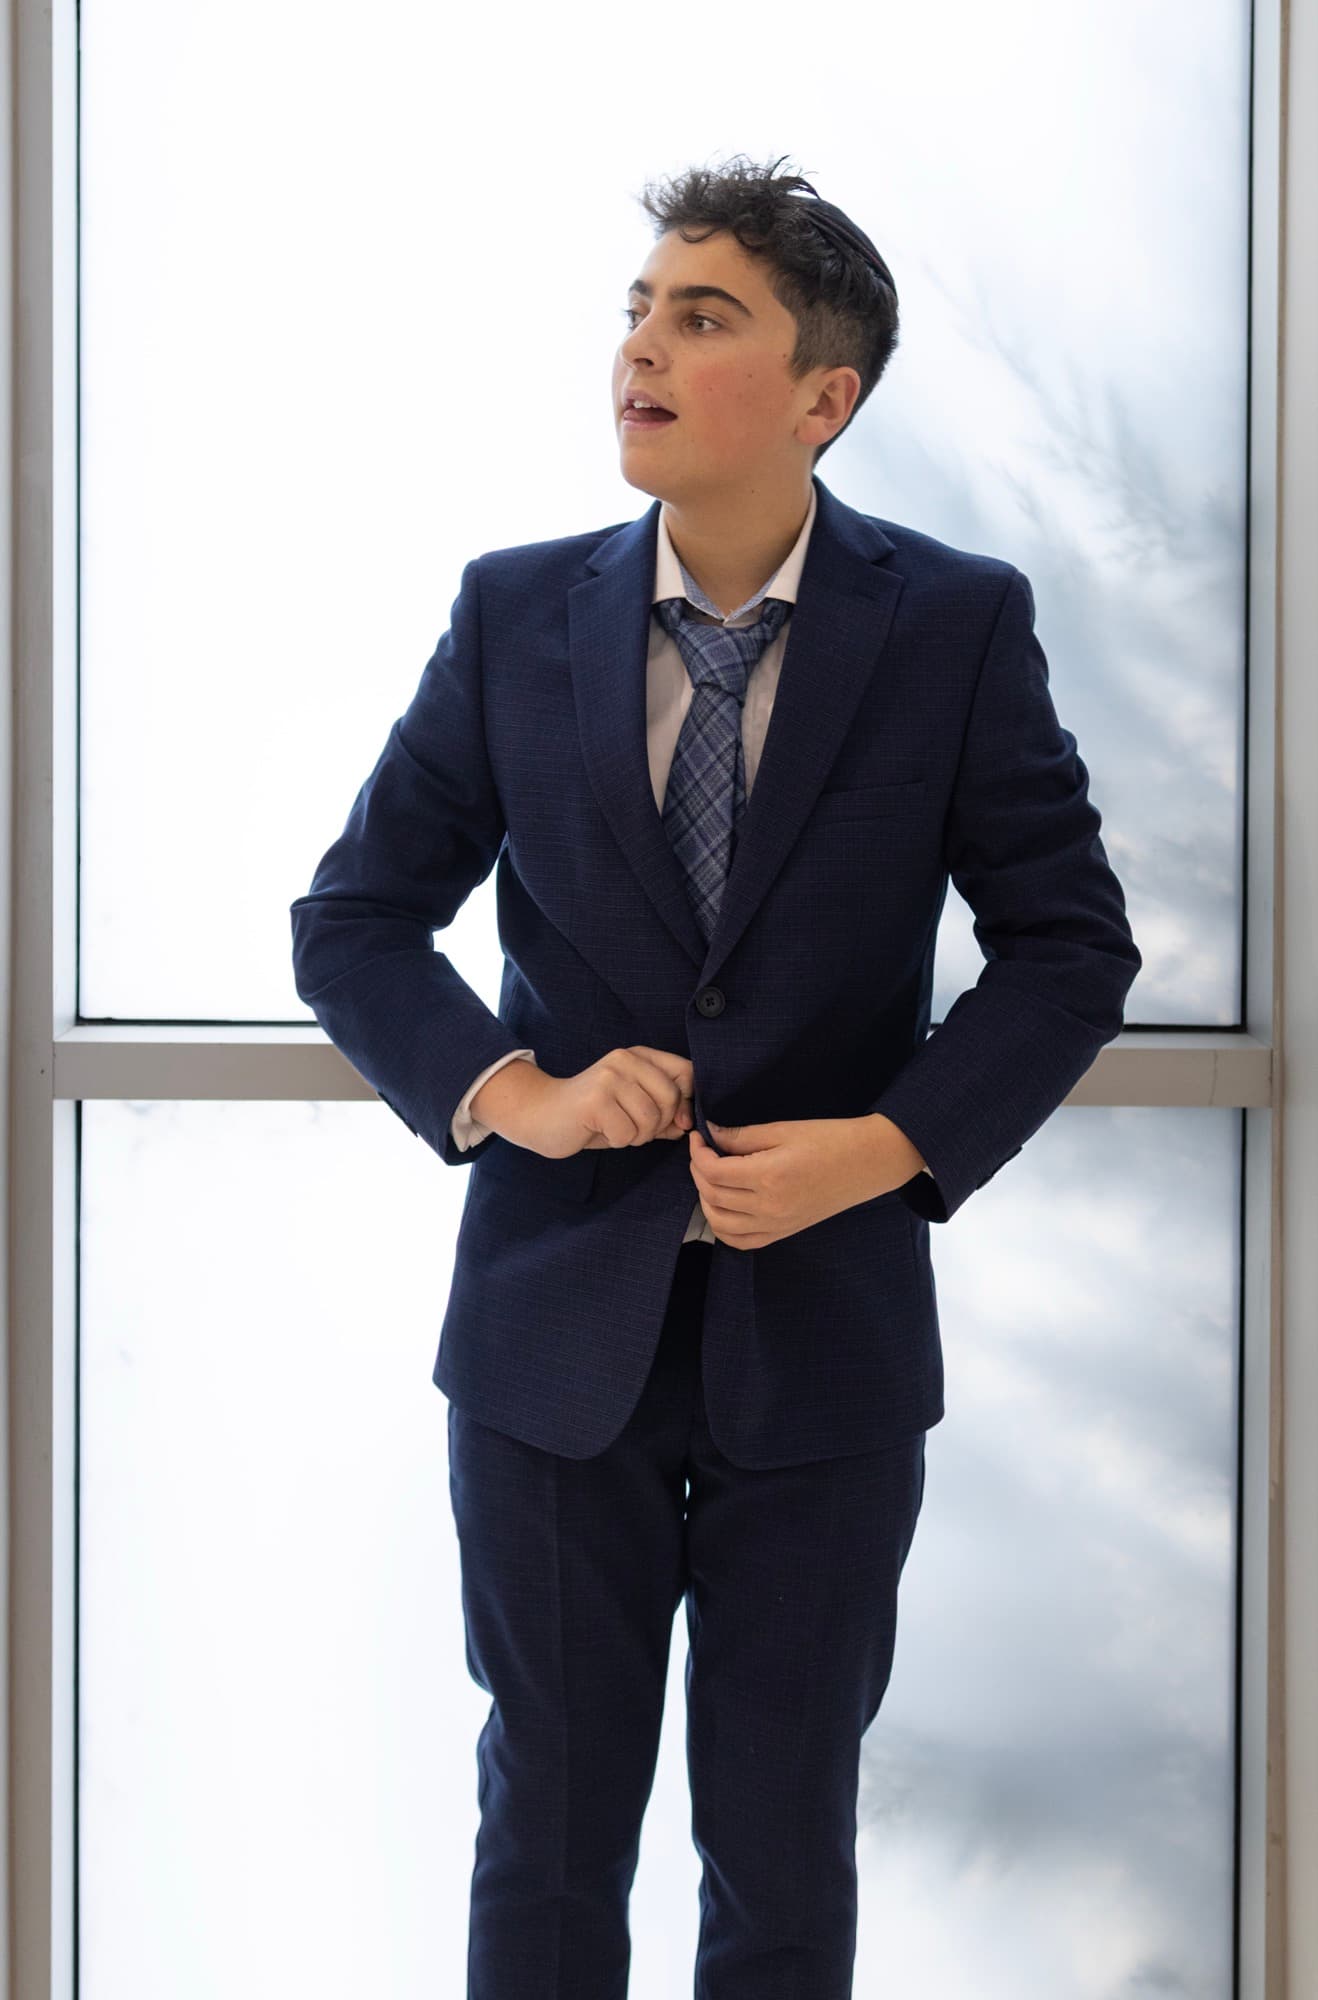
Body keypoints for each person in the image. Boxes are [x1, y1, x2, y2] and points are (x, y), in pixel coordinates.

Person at [289, 151, 1141, 1999]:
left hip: (824, 1335)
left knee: (779, 1844)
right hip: (548, 1335)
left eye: (700, 318)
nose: (638, 352)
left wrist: (886, 1147)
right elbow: (352, 920)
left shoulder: (952, 624)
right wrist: (513, 1091)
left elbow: (1069, 947)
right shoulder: (513, 613)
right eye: (635, 313)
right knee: (547, 1834)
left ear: (823, 396)